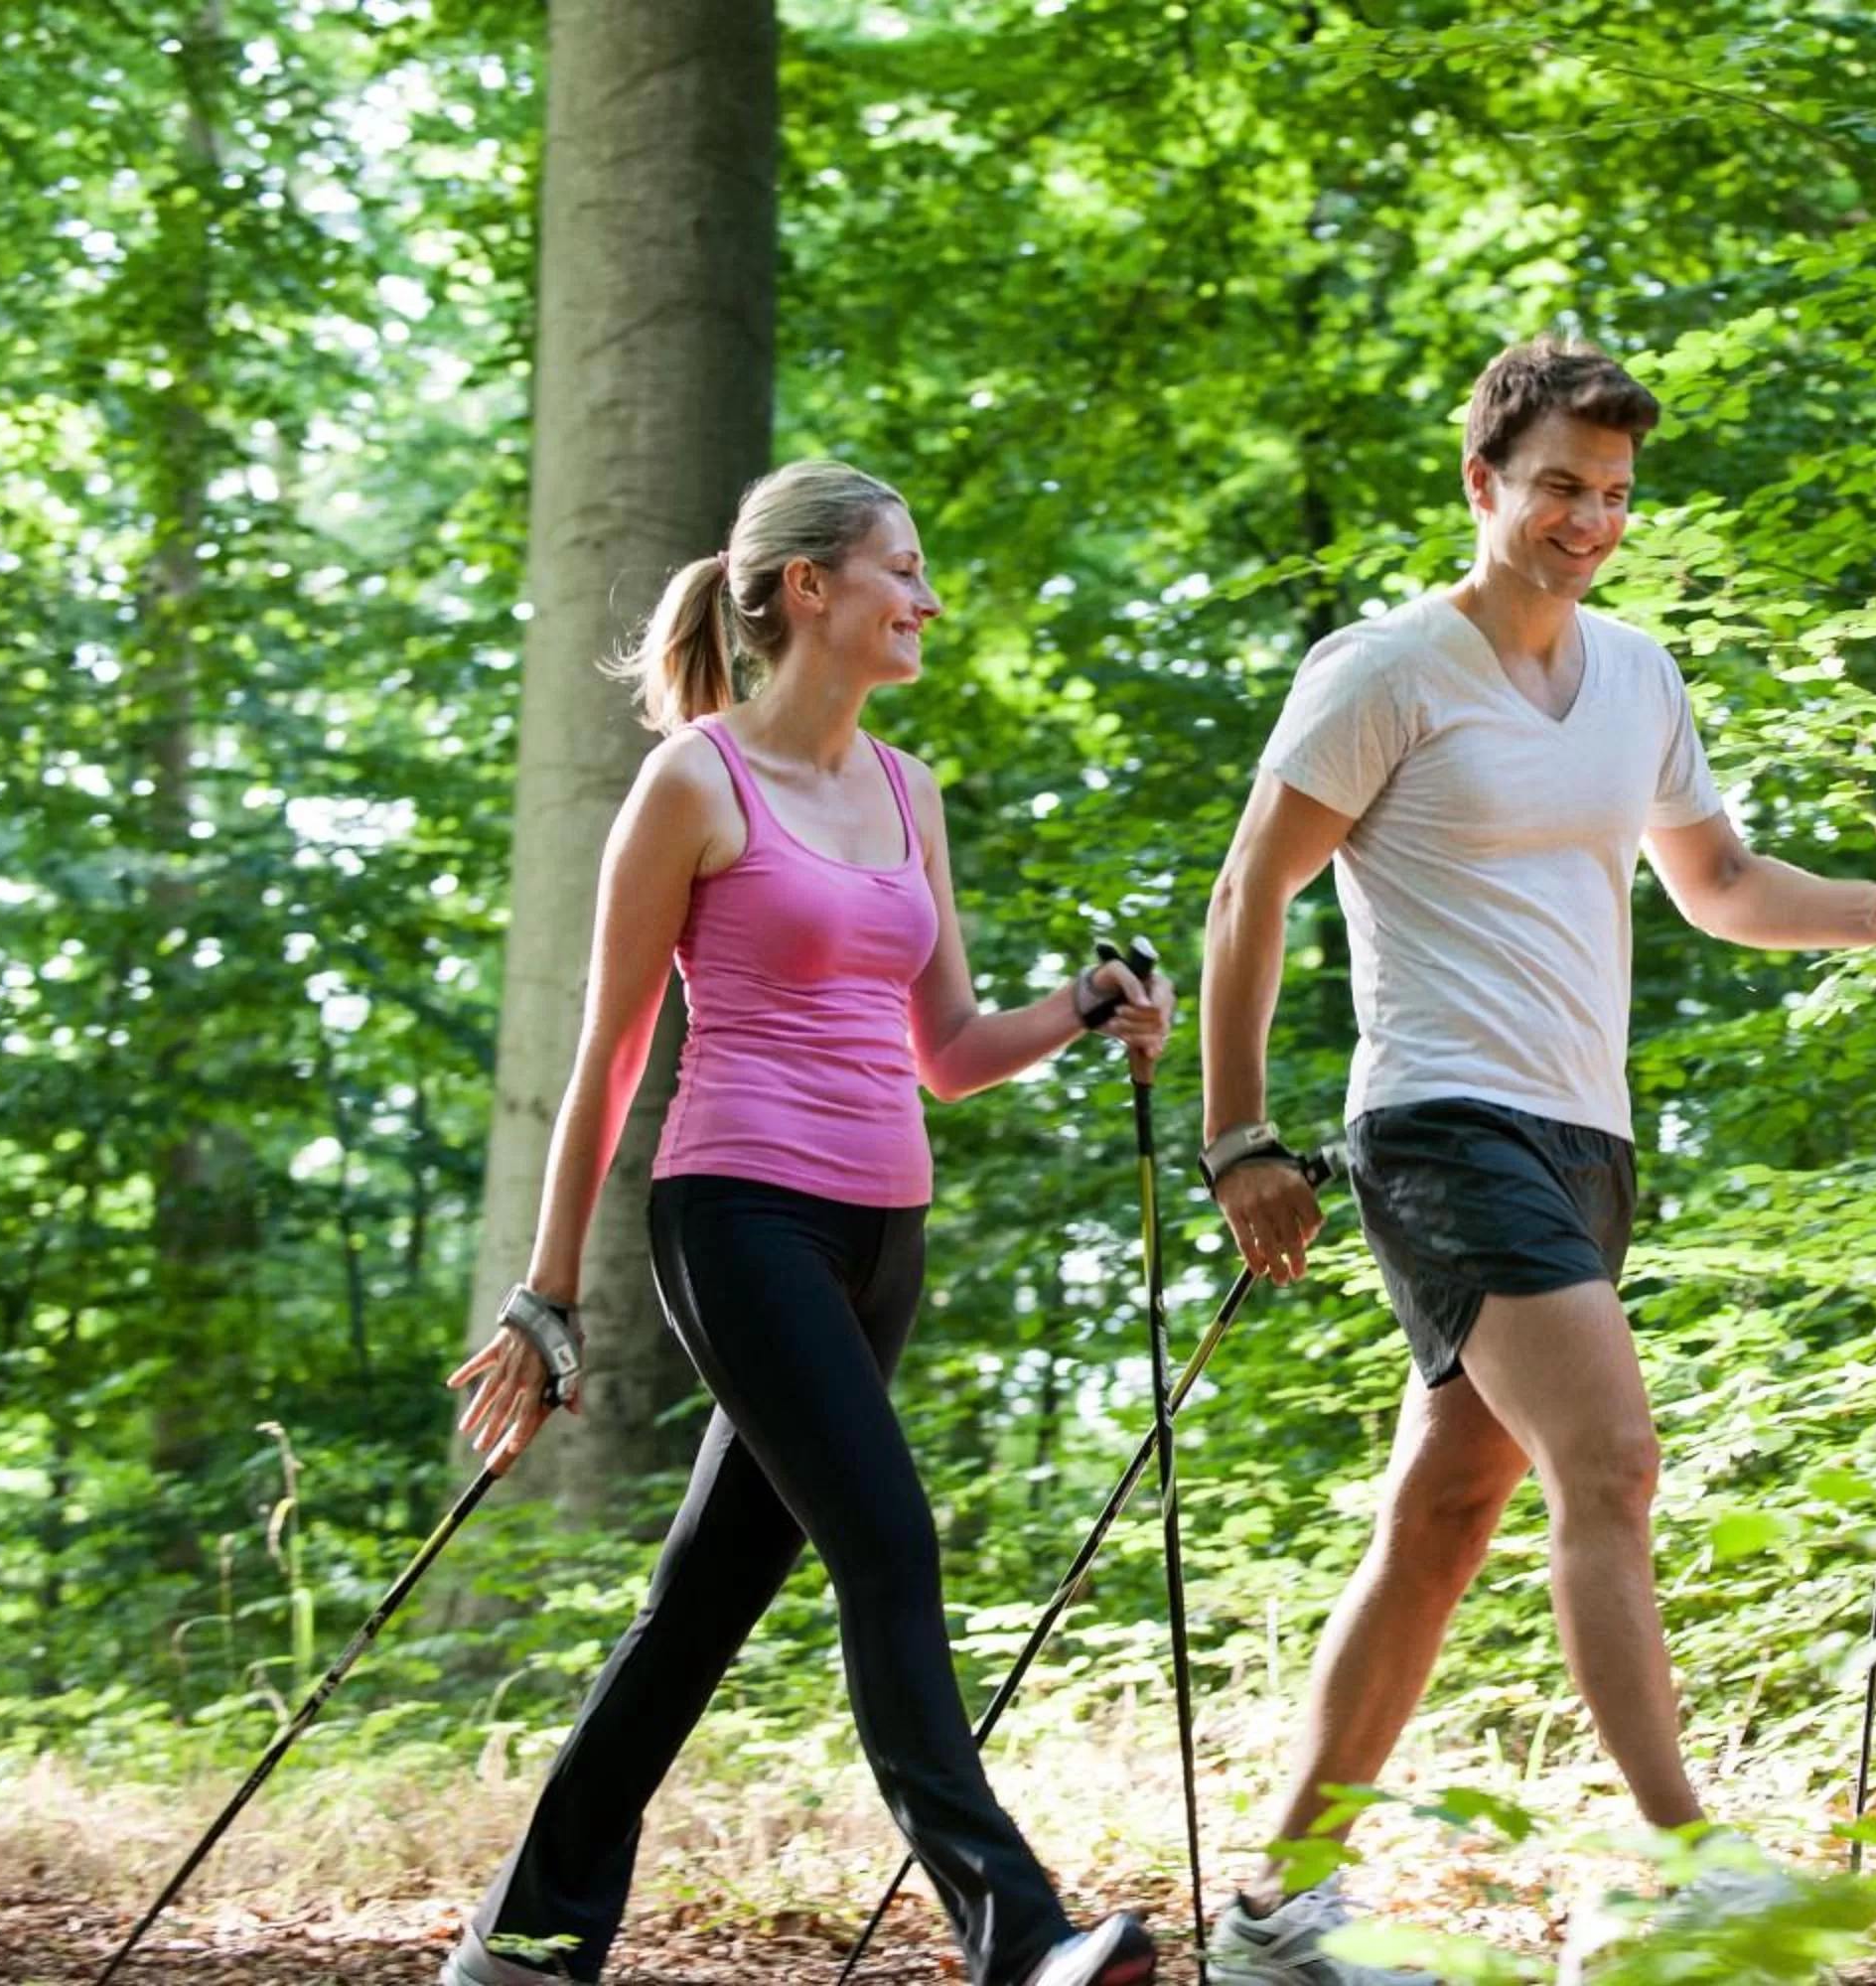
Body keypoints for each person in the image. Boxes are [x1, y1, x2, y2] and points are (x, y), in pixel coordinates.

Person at [1193, 339, 1876, 1980]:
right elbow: (1249, 889)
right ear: (1482, 481)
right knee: (1612, 1463)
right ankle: (1684, 1862)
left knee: (1446, 1514)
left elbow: (1720, 885)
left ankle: (1276, 1909)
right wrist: (1237, 1135)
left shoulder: (1637, 676)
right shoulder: (1386, 669)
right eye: (1559, 485)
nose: (1588, 520)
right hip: (1440, 1120)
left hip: (1586, 1136)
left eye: (1615, 495)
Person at [441, 462, 1173, 1986]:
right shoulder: (696, 783)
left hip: (882, 1230)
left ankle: (526, 1939)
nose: (927, 600)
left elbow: (948, 1051)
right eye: (902, 569)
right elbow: (610, 1053)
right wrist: (548, 1290)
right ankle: (1020, 1938)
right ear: (808, 588)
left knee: (705, 1602)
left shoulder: (909, 793)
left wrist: (1084, 1007)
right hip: (740, 1212)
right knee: (889, 1545)